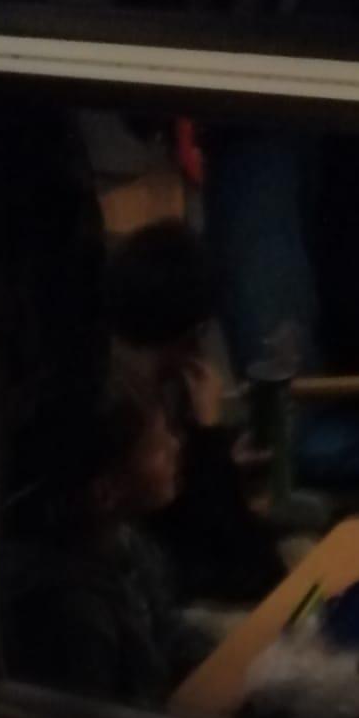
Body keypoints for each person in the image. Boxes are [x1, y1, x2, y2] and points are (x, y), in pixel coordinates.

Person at [0, 374, 215, 704]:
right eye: (157, 448)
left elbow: (167, 631)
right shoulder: (76, 616)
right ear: (105, 492)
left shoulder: (124, 540)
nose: (175, 445)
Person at [106, 218, 285, 605]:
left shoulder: (153, 384)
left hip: (196, 568)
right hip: (178, 593)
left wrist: (220, 452)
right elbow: (220, 557)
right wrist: (208, 438)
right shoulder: (131, 404)